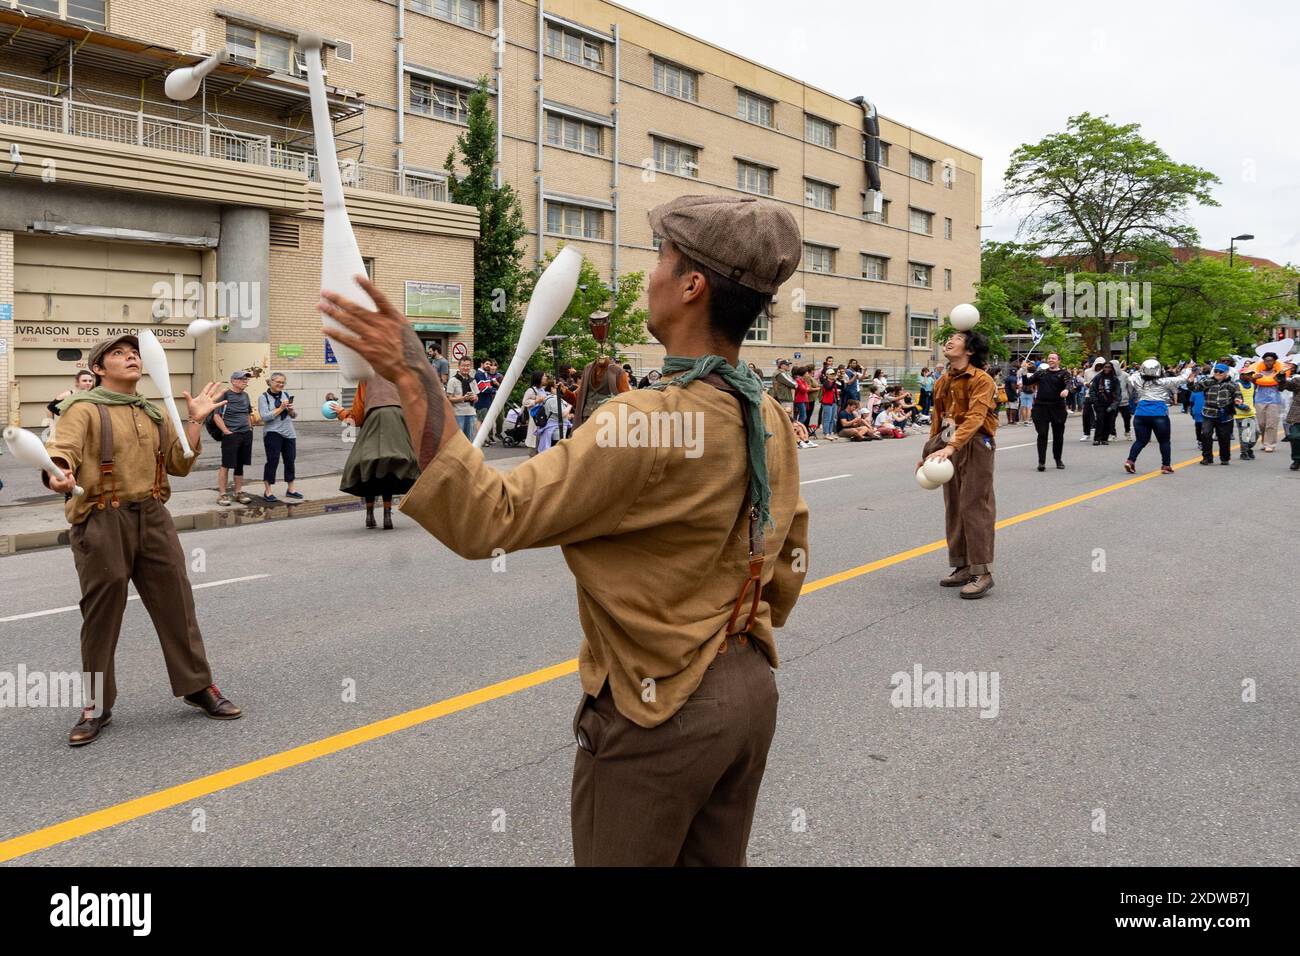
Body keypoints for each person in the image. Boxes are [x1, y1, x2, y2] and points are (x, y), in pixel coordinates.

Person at [320, 192, 809, 867]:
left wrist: (413, 373)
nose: (653, 274)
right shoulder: (768, 413)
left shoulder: (642, 421)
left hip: (660, 707)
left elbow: (484, 515)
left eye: (662, 259)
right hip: (749, 689)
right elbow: (788, 556)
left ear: (693, 285)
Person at [41, 335, 240, 746]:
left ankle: (197, 685)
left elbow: (180, 464)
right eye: (118, 353)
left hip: (152, 515)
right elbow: (60, 454)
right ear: (98, 368)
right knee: (101, 615)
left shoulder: (151, 410)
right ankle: (97, 705)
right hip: (101, 518)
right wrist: (57, 473)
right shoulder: (82, 409)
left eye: (134, 352)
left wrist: (195, 421)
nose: (131, 356)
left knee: (177, 603)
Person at [922, 329, 997, 599]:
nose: (949, 341)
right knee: (954, 506)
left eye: (956, 338)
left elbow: (976, 417)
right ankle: (962, 565)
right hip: (948, 444)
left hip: (975, 444)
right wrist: (928, 453)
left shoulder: (982, 380)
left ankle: (982, 571)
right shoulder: (943, 381)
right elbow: (937, 419)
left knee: (974, 505)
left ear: (970, 350)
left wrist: (953, 446)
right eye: (948, 338)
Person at [334, 373, 421, 529]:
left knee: (367, 466)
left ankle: (369, 515)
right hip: (397, 420)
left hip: (374, 419)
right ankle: (387, 515)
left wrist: (341, 412)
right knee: (389, 468)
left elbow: (358, 416)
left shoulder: (365, 375)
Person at [1124, 359, 1191, 475]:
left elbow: (1131, 377)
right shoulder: (1164, 381)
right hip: (1159, 414)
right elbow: (1183, 378)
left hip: (1141, 413)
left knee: (1140, 440)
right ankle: (1166, 466)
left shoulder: (1136, 379)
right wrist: (1188, 368)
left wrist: (1140, 370)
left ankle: (1130, 460)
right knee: (1164, 441)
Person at [1191, 363, 1247, 465]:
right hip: (1209, 412)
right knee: (1206, 434)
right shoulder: (1207, 381)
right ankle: (1207, 458)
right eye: (1216, 371)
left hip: (1225, 413)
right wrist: (1190, 380)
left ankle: (1225, 458)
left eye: (1221, 372)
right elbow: (1195, 388)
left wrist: (1238, 400)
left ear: (1226, 373)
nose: (1218, 373)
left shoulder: (1232, 384)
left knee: (1224, 436)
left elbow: (1238, 395)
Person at [1024, 353, 1072, 470]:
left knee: (1058, 435)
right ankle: (1041, 462)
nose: (1051, 360)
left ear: (1058, 361)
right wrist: (1024, 371)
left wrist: (1066, 390)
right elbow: (1027, 382)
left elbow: (1069, 384)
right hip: (1041, 407)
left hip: (1057, 407)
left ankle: (1058, 459)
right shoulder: (1041, 373)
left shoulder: (1064, 373)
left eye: (1053, 358)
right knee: (1042, 434)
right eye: (1049, 358)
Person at [215, 370, 255, 506]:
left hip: (245, 434)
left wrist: (250, 428)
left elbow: (248, 413)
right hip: (231, 435)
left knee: (239, 465)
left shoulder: (246, 395)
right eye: (242, 379)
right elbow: (216, 416)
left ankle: (238, 492)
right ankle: (222, 494)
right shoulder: (225, 395)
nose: (245, 381)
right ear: (233, 381)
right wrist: (226, 431)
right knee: (226, 465)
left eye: (246, 379)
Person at [258, 372, 300, 502]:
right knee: (273, 460)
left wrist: (291, 410)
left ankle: (291, 489)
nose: (280, 385)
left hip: (289, 432)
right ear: (271, 382)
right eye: (278, 382)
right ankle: (268, 491)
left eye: (283, 383)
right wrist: (281, 408)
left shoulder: (286, 395)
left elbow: (293, 416)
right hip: (272, 432)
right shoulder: (263, 397)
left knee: (290, 460)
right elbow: (265, 417)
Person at [1249, 352, 1292, 452]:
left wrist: (1281, 377)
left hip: (1274, 401)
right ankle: (1264, 441)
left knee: (1271, 423)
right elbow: (1252, 386)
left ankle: (1270, 444)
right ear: (1263, 361)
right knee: (1262, 423)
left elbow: (1281, 388)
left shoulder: (1279, 373)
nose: (1268, 362)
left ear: (1274, 361)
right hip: (1260, 399)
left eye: (1271, 360)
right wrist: (1253, 379)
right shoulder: (1258, 373)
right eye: (1266, 360)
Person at [574, 356, 631, 429]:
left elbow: (625, 396)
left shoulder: (617, 371)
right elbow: (579, 396)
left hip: (607, 416)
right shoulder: (588, 369)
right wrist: (565, 392)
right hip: (587, 415)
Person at [46, 369, 97, 437]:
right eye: (84, 381)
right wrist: (52, 428)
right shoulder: (69, 395)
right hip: (70, 431)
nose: (88, 383)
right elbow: (49, 409)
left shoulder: (93, 395)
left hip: (87, 430)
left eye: (90, 381)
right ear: (77, 382)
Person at [1087, 360, 1121, 446]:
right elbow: (1092, 390)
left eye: (1109, 367)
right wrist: (1095, 402)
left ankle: (1104, 439)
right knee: (1100, 420)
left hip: (1111, 403)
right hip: (1099, 403)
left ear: (1111, 368)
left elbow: (1118, 393)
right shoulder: (1098, 378)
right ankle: (1097, 439)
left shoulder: (1115, 379)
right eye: (1105, 367)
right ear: (1103, 368)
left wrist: (1114, 405)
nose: (1107, 369)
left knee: (1109, 421)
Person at [446, 356, 479, 441]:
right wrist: (462, 398)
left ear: (470, 367)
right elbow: (449, 399)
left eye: (468, 366)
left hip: (471, 413)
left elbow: (477, 398)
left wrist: (474, 397)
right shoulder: (453, 380)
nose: (465, 368)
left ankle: (468, 455)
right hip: (458, 414)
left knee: (470, 440)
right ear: (459, 367)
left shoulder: (473, 381)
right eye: (463, 366)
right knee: (458, 440)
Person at [521, 371, 550, 456]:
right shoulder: (531, 390)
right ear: (539, 378)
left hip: (542, 418)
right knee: (534, 439)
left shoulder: (542, 389)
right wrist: (536, 400)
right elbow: (524, 402)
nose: (546, 378)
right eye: (544, 376)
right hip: (535, 418)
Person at [474, 357, 501, 446]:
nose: (489, 366)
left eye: (489, 364)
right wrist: (494, 390)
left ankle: (484, 439)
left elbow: (488, 386)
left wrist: (492, 388)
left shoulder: (484, 374)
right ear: (482, 364)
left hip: (487, 400)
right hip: (482, 400)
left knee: (483, 420)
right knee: (480, 420)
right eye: (487, 364)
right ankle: (481, 440)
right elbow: (483, 388)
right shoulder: (479, 374)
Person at [1235, 369, 1259, 460]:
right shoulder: (1237, 385)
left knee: (1255, 433)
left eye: (1251, 374)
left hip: (1251, 413)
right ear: (1241, 375)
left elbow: (1252, 397)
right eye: (1248, 374)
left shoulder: (1252, 385)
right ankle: (1244, 453)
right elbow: (1235, 399)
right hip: (1240, 414)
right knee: (1245, 434)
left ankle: (1248, 448)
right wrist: (1243, 407)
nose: (1250, 376)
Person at [1279, 368, 1300, 470]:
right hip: (1298, 415)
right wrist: (1282, 376)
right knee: (1295, 436)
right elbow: (1285, 386)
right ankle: (1297, 459)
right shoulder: (1298, 381)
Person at [818, 365, 840, 440]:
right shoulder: (826, 382)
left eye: (833, 374)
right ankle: (826, 433)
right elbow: (829, 388)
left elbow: (836, 392)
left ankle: (830, 432)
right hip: (827, 402)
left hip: (833, 402)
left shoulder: (834, 383)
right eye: (831, 374)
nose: (833, 376)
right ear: (827, 375)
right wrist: (834, 381)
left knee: (832, 418)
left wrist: (838, 400)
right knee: (827, 418)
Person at [792, 365, 812, 430]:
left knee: (802, 416)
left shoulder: (803, 380)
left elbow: (807, 387)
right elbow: (804, 390)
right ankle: (797, 428)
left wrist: (807, 388)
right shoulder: (798, 380)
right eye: (806, 373)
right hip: (799, 400)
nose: (808, 374)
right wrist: (807, 388)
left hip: (803, 400)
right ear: (803, 374)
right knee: (803, 416)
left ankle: (798, 429)